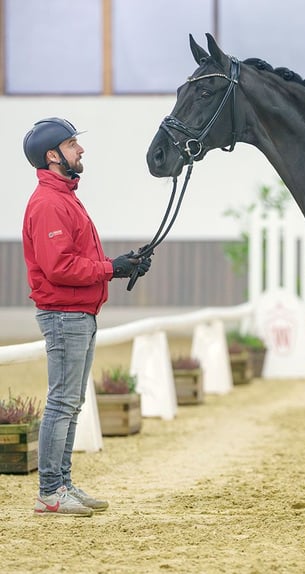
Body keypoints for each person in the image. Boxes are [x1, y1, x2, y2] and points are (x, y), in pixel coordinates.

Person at [22, 117, 152, 517]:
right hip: (65, 315)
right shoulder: (48, 203)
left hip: (78, 313)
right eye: (73, 144)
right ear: (53, 155)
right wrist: (111, 268)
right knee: (62, 402)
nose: (80, 150)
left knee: (72, 402)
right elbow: (60, 267)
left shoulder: (64, 198)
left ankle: (60, 483)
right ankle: (49, 490)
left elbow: (77, 258)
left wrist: (121, 264)